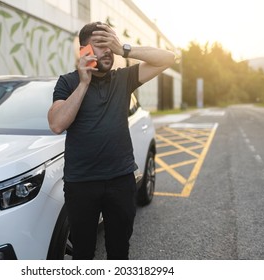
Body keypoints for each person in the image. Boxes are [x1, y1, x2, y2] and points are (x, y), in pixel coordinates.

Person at [48, 21, 174, 259]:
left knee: (119, 251)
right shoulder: (67, 82)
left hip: (120, 181)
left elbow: (168, 58)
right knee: (83, 253)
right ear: (84, 50)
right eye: (100, 45)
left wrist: (124, 49)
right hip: (82, 184)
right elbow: (57, 124)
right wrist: (84, 82)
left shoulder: (123, 78)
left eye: (111, 44)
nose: (108, 51)